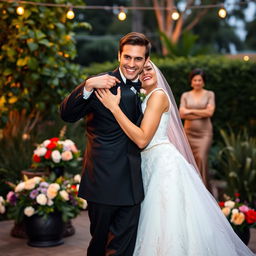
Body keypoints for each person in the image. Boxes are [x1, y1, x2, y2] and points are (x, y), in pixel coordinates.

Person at [95, 61, 255, 256]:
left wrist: (114, 107)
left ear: (156, 72)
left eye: (149, 68)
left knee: (165, 219)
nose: (145, 72)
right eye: (141, 70)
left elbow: (141, 139)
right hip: (148, 162)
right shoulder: (144, 96)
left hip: (162, 164)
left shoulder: (159, 96)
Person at [60, 32, 151, 256]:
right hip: (103, 181)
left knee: (123, 250)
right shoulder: (101, 83)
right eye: (127, 57)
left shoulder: (149, 86)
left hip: (133, 185)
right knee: (99, 246)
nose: (131, 64)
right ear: (119, 55)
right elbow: (67, 114)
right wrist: (88, 85)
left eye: (138, 59)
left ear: (145, 61)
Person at [179, 69, 215, 189]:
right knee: (188, 159)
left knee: (201, 157)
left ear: (203, 82)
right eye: (195, 80)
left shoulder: (210, 94)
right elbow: (182, 114)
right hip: (188, 133)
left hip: (204, 134)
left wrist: (190, 111)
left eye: (200, 80)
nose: (197, 82)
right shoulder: (185, 95)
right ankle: (191, 189)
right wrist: (202, 112)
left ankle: (204, 189)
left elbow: (210, 112)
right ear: (191, 81)